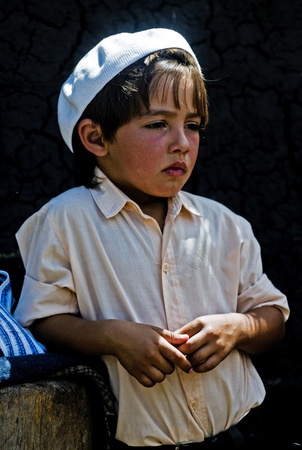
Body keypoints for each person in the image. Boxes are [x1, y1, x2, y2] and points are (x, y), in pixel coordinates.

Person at [14, 28, 291, 449]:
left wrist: (236, 328)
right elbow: (42, 320)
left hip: (238, 436)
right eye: (159, 123)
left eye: (193, 125)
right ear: (96, 137)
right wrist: (115, 336)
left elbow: (272, 318)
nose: (182, 143)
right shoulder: (65, 220)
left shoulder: (225, 225)